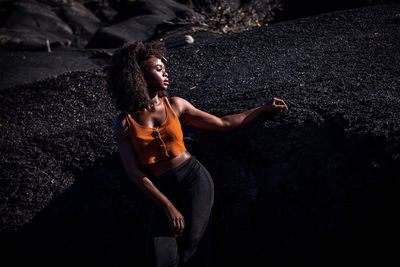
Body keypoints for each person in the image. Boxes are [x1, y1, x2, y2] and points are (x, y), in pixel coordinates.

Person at [106, 41, 288, 267]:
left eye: (165, 68)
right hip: (162, 190)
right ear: (138, 75)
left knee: (194, 251)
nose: (166, 74)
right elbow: (134, 172)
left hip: (194, 180)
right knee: (160, 258)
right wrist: (167, 206)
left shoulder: (176, 104)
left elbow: (222, 123)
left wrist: (262, 109)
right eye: (159, 69)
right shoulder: (124, 121)